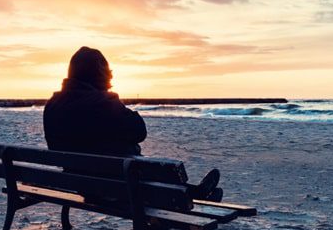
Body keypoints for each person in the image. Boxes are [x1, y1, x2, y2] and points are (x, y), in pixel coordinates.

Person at [43, 47, 221, 200]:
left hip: (80, 182)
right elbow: (139, 131)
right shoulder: (102, 103)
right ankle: (193, 194)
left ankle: (196, 193)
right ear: (100, 73)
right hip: (115, 185)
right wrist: (114, 103)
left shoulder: (53, 104)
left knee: (136, 168)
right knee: (148, 170)